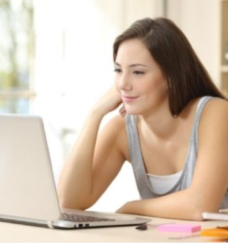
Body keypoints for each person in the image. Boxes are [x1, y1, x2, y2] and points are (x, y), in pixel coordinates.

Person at [57, 17, 228, 221]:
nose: (123, 84)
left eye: (138, 72)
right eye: (118, 70)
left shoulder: (215, 113)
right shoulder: (122, 129)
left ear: (171, 77)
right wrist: (95, 115)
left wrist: (132, 207)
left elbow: (199, 206)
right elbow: (68, 201)